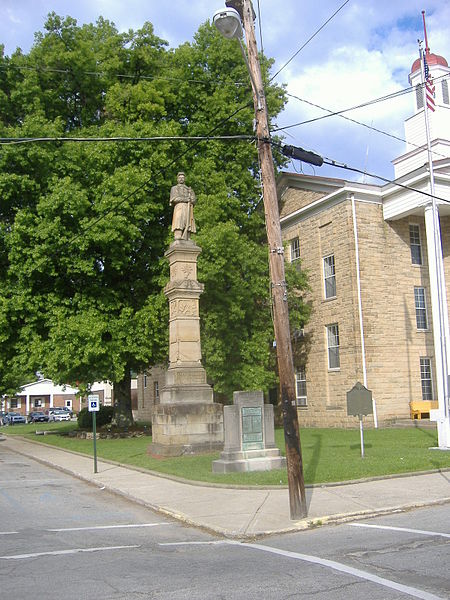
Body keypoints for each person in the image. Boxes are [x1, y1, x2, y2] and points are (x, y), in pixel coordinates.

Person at [170, 172, 196, 240]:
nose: (181, 179)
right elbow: (174, 199)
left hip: (188, 207)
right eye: (180, 178)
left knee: (188, 221)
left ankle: (187, 236)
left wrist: (191, 199)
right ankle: (178, 234)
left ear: (185, 179)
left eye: (183, 178)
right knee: (179, 220)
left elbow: (194, 200)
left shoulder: (189, 190)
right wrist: (186, 199)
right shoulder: (174, 188)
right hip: (179, 207)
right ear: (177, 179)